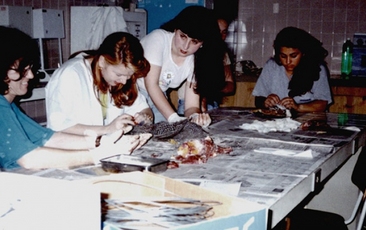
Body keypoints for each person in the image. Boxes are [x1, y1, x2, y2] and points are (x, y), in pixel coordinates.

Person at [0, 26, 143, 170]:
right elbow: (30, 159)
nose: (30, 75)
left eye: (29, 68)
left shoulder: (9, 106)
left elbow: (48, 139)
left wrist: (100, 142)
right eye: (22, 71)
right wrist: (98, 154)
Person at [46, 32, 153, 137]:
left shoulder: (120, 76)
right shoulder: (70, 74)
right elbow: (58, 127)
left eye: (129, 75)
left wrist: (145, 116)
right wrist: (108, 129)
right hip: (72, 149)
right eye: (118, 74)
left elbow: (144, 108)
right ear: (102, 61)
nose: (124, 81)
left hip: (107, 148)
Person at [136, 6, 227, 126]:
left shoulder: (197, 61)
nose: (185, 46)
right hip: (132, 94)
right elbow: (151, 85)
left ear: (202, 43)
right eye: (183, 36)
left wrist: (196, 118)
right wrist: (174, 118)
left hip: (159, 97)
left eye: (194, 41)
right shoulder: (158, 38)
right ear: (175, 29)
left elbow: (191, 106)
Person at [252, 26, 332, 112]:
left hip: (308, 121)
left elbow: (323, 104)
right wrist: (265, 102)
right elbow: (258, 99)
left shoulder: (317, 69)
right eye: (283, 56)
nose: (288, 61)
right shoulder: (272, 67)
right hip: (277, 123)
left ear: (303, 53)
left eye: (293, 56)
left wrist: (298, 107)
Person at [177, 16, 236, 114]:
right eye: (217, 31)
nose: (220, 35)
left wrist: (211, 90)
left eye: (224, 32)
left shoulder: (222, 53)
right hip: (188, 104)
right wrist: (206, 91)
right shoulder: (193, 48)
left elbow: (230, 86)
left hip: (212, 103)